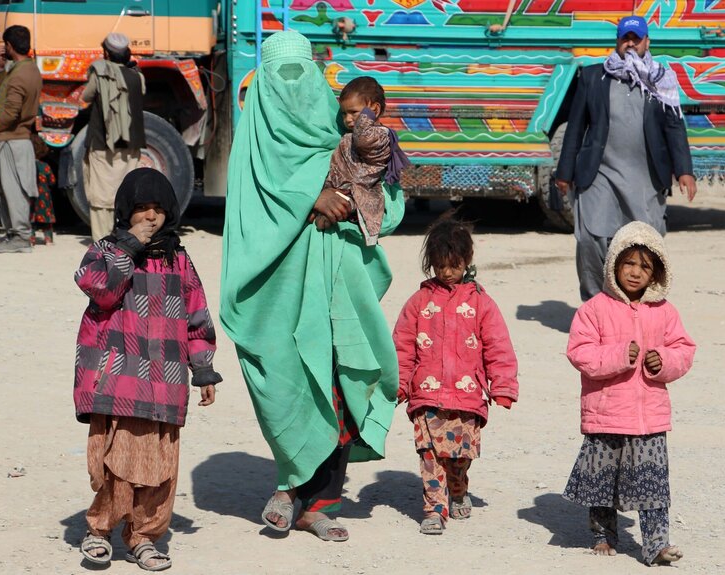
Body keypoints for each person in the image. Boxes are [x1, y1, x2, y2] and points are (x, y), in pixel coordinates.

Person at [220, 30, 405, 542]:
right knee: (282, 382)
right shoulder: (253, 148)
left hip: (336, 284)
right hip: (275, 291)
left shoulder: (339, 132)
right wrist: (309, 200)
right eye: (282, 78)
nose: (293, 89)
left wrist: (357, 200)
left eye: (303, 75)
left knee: (340, 383)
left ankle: (316, 503)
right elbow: (248, 219)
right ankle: (288, 478)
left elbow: (389, 205)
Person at [73, 168, 222, 571]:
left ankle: (144, 537)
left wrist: (203, 368)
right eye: (141, 209)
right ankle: (99, 530)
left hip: (165, 381)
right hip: (117, 379)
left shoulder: (178, 259)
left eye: (158, 209)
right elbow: (99, 291)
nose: (150, 218)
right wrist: (127, 249)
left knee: (160, 465)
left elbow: (197, 316)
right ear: (126, 212)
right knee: (114, 461)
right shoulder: (106, 250)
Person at [562, 220, 696, 566]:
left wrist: (662, 360)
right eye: (629, 263)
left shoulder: (665, 313)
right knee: (602, 482)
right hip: (606, 414)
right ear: (614, 265)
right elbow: (581, 353)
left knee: (653, 486)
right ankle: (604, 536)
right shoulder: (593, 310)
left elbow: (684, 351)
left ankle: (657, 544)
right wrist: (621, 355)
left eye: (645, 266)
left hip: (648, 417)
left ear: (656, 274)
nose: (635, 273)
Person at [555, 15, 697, 301]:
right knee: (590, 239)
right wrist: (564, 171)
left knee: (644, 244)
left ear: (647, 42)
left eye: (636, 38)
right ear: (617, 41)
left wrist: (684, 170)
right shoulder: (594, 77)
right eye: (625, 38)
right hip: (600, 174)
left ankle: (636, 306)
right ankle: (597, 303)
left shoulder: (661, 80)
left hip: (645, 177)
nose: (630, 43)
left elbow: (674, 127)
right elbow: (576, 126)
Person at [393, 214, 519, 535]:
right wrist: (399, 383)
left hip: (467, 397)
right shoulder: (419, 302)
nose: (447, 272)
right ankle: (435, 509)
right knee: (430, 453)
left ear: (467, 260)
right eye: (439, 265)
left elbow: (498, 346)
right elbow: (402, 345)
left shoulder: (481, 303)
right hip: (427, 395)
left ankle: (458, 486)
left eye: (454, 264)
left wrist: (502, 385)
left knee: (459, 456)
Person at [314, 76, 410, 246]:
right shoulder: (355, 133)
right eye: (344, 113)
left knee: (346, 207)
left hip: (359, 190)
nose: (348, 119)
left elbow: (362, 140)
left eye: (354, 112)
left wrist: (368, 115)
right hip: (339, 186)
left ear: (374, 109)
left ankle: (345, 212)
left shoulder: (380, 135)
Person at [81, 32, 146, 241]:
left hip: (103, 143)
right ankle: (125, 237)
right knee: (126, 191)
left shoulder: (99, 73)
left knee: (101, 195)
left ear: (106, 52)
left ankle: (103, 241)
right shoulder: (137, 76)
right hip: (131, 144)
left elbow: (86, 96)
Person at [0, 25, 42, 254]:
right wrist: (1, 69)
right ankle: (14, 234)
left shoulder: (19, 74)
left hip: (11, 139)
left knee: (13, 190)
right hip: (19, 138)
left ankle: (19, 236)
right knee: (11, 189)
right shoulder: (29, 70)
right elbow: (7, 91)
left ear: (9, 46)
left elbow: (11, 111)